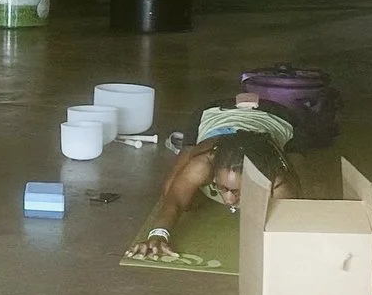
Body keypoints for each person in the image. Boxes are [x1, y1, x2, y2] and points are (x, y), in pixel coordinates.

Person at [125, 94, 303, 261]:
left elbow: (291, 230)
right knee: (176, 192)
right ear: (214, 171)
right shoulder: (204, 162)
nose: (228, 199)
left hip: (274, 114)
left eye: (237, 191)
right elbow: (175, 200)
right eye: (223, 188)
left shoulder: (277, 181)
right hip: (215, 113)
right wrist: (158, 235)